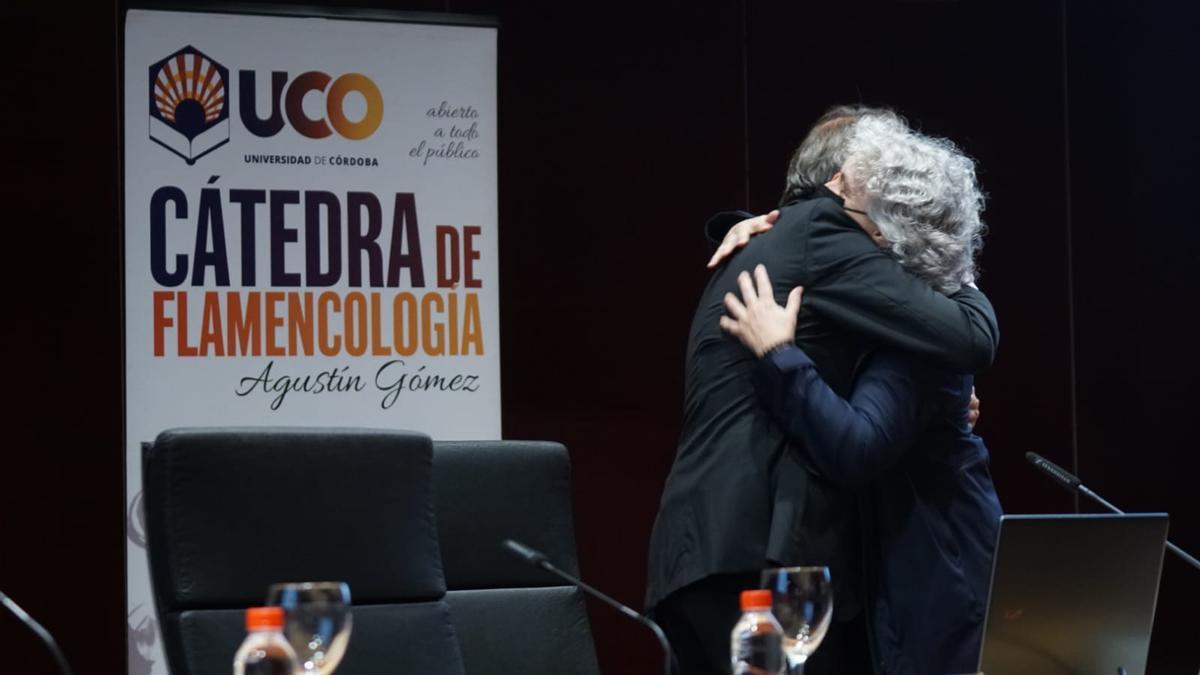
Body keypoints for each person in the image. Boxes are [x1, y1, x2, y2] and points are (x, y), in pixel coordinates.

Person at [645, 111, 998, 675]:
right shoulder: (824, 233)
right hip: (760, 551)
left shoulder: (789, 236)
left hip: (723, 548)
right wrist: (960, 274)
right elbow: (969, 337)